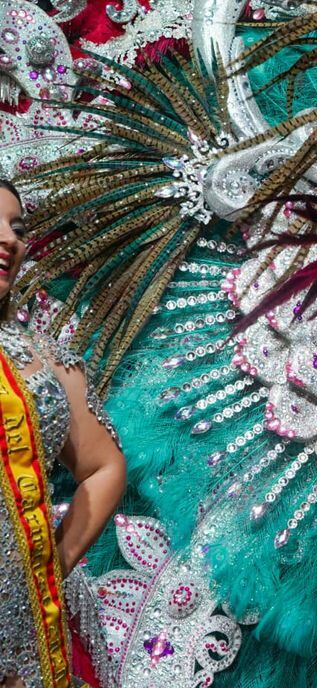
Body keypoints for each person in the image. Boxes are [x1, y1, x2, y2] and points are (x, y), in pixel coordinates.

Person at [0, 180, 126, 688]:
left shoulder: (40, 360)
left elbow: (104, 466)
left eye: (16, 227)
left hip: (26, 643)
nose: (8, 239)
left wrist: (50, 565)